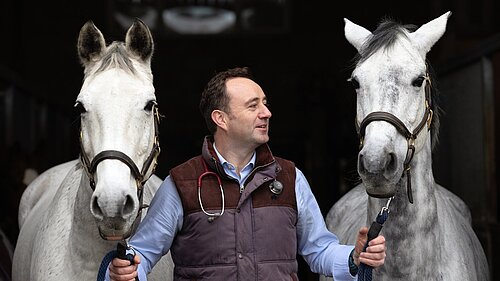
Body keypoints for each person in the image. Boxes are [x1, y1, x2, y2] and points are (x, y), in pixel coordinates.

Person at [107, 67, 386, 281]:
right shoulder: (182, 184)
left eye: (264, 103)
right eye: (253, 106)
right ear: (221, 119)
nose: (267, 113)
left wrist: (354, 255)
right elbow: (141, 255)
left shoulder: (290, 178)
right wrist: (121, 270)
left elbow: (319, 251)